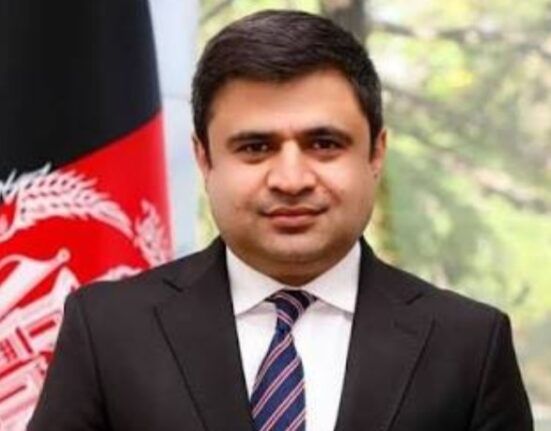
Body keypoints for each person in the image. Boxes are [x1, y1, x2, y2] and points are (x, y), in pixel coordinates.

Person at [28, 9, 533, 431]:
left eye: (324, 144)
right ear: (205, 159)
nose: (291, 179)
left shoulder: (468, 344)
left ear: (376, 153)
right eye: (255, 147)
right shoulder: (107, 329)